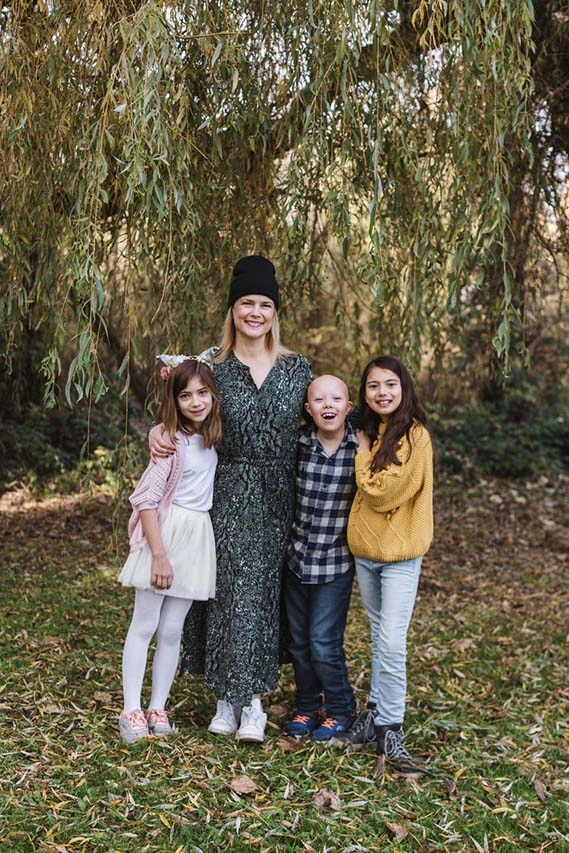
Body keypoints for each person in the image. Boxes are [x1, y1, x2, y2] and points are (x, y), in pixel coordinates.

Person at [149, 255, 312, 743]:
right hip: (228, 488)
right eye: (246, 303)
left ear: (275, 312)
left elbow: (326, 420)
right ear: (233, 310)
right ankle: (226, 699)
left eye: (264, 304)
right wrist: (161, 427)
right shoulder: (213, 367)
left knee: (265, 593)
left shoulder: (297, 368)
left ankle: (256, 701)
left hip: (284, 491)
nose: (255, 312)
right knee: (228, 590)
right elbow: (183, 409)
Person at [333, 355, 434, 774]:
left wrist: (360, 453)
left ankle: (391, 726)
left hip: (400, 557)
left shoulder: (415, 437)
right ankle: (375, 711)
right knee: (378, 635)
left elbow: (382, 492)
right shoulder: (369, 430)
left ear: (404, 388)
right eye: (373, 386)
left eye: (390, 384)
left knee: (392, 640)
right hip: (366, 553)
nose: (382, 393)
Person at [117, 357, 221, 744]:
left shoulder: (212, 438)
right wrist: (158, 554)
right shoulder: (170, 443)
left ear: (213, 396)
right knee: (145, 624)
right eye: (185, 395)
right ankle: (130, 707)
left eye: (202, 393)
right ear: (173, 400)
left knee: (173, 628)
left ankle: (158, 705)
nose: (195, 402)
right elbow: (144, 499)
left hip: (197, 536)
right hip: (166, 533)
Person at [282, 375, 358, 741]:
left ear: (349, 407)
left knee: (323, 642)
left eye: (336, 399)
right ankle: (307, 706)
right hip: (297, 558)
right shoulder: (297, 445)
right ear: (308, 409)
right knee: (298, 642)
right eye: (319, 400)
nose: (328, 405)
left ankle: (341, 708)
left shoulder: (362, 449)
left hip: (335, 563)